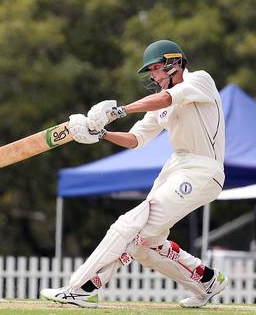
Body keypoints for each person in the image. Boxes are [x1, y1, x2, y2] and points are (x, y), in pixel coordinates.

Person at [41, 40, 227, 308]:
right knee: (144, 244)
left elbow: (166, 97)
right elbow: (134, 139)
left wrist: (118, 111)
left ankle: (82, 287)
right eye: (151, 71)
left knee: (131, 223)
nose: (154, 76)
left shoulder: (200, 80)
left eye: (156, 68)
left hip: (203, 168)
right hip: (176, 167)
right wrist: (101, 133)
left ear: (174, 62)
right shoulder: (160, 106)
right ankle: (206, 279)